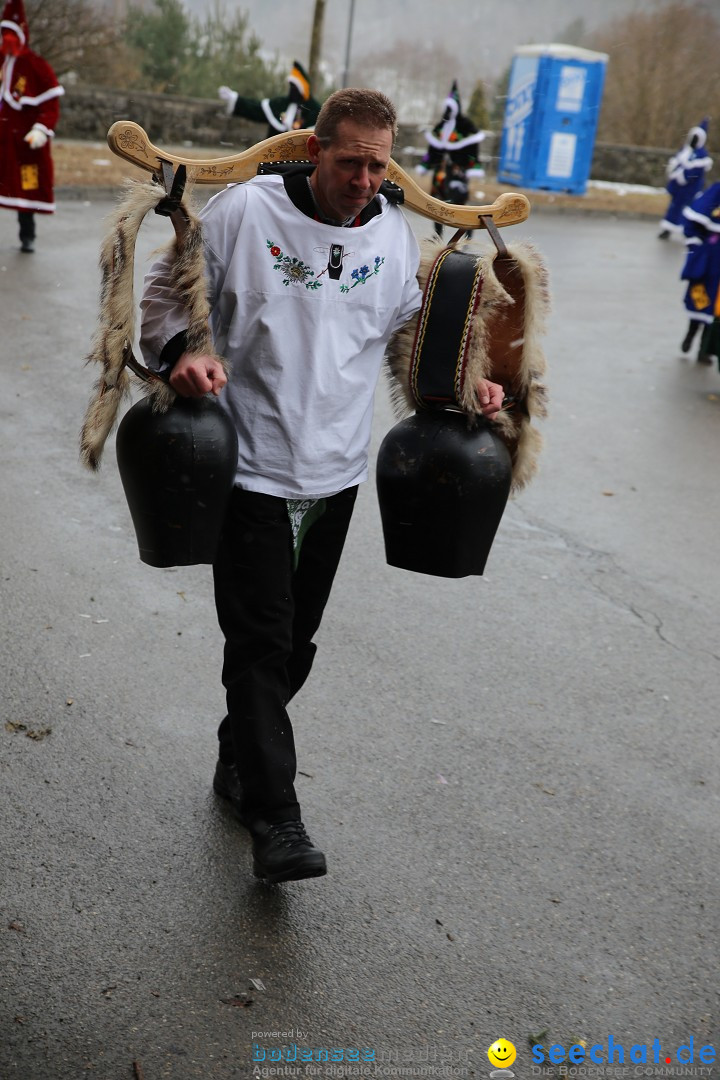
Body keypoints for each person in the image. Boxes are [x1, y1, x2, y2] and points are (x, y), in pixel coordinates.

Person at [139, 88, 504, 885]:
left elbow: (412, 338)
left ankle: (240, 757)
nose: (366, 179)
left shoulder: (395, 237)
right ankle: (277, 817)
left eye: (379, 165)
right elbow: (167, 298)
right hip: (250, 466)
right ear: (315, 151)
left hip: (337, 474)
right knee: (261, 641)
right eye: (350, 162)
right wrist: (180, 357)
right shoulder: (244, 214)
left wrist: (465, 383)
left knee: (294, 643)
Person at [0, 0, 63, 252]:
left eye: (11, 36)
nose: (7, 42)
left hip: (24, 144)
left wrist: (40, 128)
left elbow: (50, 106)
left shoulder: (35, 66)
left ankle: (28, 235)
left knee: (25, 186)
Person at [417, 81, 486, 239]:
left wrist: (471, 166)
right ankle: (438, 235)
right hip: (440, 172)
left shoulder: (465, 126)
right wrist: (426, 164)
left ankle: (465, 235)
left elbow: (472, 148)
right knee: (437, 204)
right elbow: (433, 148)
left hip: (457, 172)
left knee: (458, 204)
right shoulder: (442, 126)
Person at [218, 59, 321, 140]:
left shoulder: (315, 110)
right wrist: (235, 99)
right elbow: (256, 109)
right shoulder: (280, 104)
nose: (292, 90)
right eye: (291, 86)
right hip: (273, 158)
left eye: (295, 87)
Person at [679, 180, 720, 362]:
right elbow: (693, 223)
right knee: (700, 298)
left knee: (717, 307)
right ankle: (690, 333)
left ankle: (704, 349)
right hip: (708, 260)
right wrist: (696, 247)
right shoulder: (716, 191)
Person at [658, 118, 712, 241]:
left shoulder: (701, 155)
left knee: (688, 210)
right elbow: (676, 163)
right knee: (674, 208)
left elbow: (696, 172)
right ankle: (668, 229)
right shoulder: (685, 150)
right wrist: (675, 173)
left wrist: (684, 176)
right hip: (679, 187)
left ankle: (689, 232)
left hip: (690, 188)